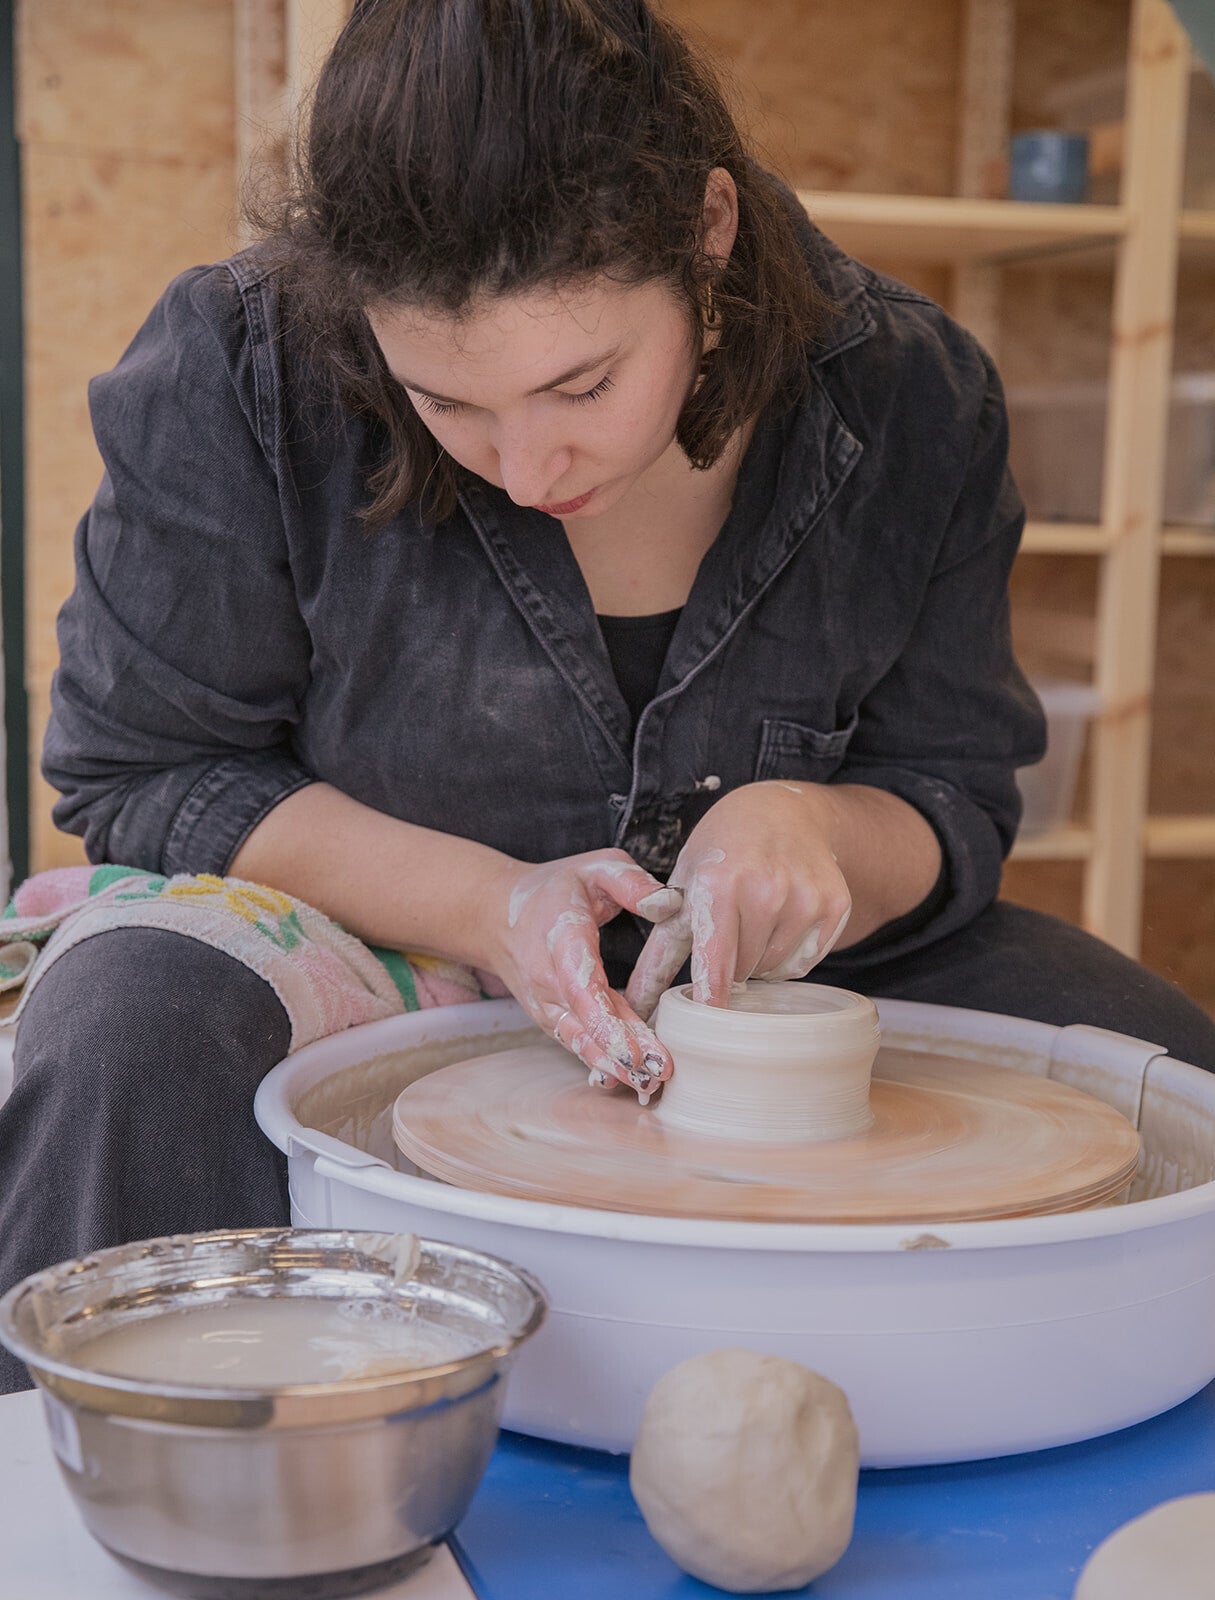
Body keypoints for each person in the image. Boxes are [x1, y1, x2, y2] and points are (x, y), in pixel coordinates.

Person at [2, 0, 1213, 1394]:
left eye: (581, 386)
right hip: (378, 930)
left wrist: (820, 828)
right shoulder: (244, 358)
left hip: (780, 970)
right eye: (447, 402)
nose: (525, 470)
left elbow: (951, 790)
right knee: (130, 1030)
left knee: (1168, 1071)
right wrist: (492, 906)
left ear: (709, 231)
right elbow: (148, 771)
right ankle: (94, 1481)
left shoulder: (907, 390)